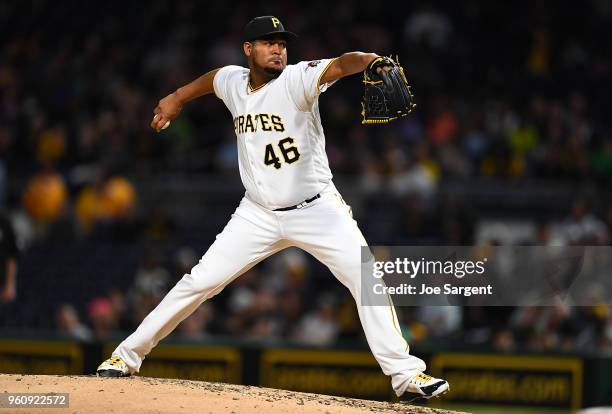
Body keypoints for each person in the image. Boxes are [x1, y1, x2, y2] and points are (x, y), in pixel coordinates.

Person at [96, 16, 449, 402]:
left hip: (316, 209)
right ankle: (125, 356)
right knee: (198, 282)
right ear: (248, 49)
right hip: (258, 212)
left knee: (367, 279)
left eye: (282, 43)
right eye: (268, 42)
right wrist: (177, 97)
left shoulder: (297, 79)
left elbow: (342, 63)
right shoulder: (233, 81)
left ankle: (407, 376)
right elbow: (213, 79)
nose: (278, 48)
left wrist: (372, 60)